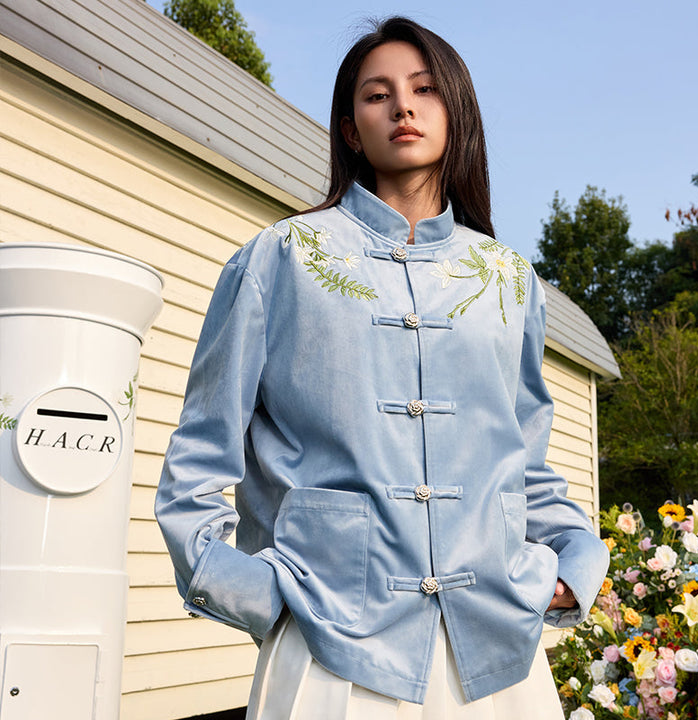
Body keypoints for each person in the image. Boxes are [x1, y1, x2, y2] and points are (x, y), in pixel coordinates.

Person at [155, 16, 609, 719]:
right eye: (378, 94)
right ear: (348, 127)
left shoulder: (508, 279)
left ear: (455, 111)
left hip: (498, 657)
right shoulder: (281, 259)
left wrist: (575, 566)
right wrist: (260, 598)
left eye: (425, 89)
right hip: (330, 647)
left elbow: (524, 461)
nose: (403, 106)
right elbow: (197, 465)